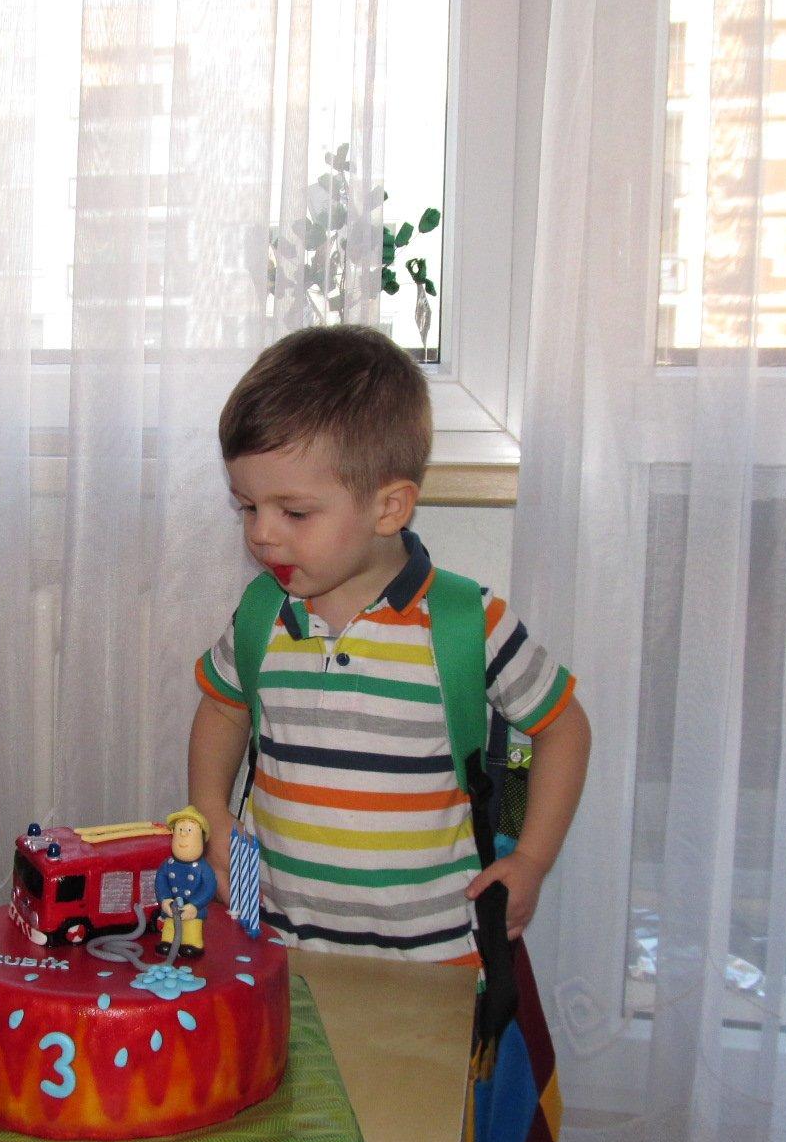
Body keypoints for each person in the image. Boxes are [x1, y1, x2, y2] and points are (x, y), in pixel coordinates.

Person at [189, 324, 590, 964]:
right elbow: (222, 707)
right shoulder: (262, 614)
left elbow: (563, 727)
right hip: (281, 948)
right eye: (247, 507)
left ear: (390, 508)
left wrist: (532, 859)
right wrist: (210, 809)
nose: (262, 534)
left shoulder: (464, 621)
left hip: (434, 960)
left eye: (294, 512)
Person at [155, 805, 215, 958]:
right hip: (172, 907)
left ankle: (192, 944)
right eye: (180, 830)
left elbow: (209, 888)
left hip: (193, 910)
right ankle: (168, 942)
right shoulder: (167, 865)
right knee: (170, 926)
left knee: (192, 927)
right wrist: (165, 900)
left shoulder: (203, 869)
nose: (183, 835)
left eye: (189, 830)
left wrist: (194, 905)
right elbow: (161, 882)